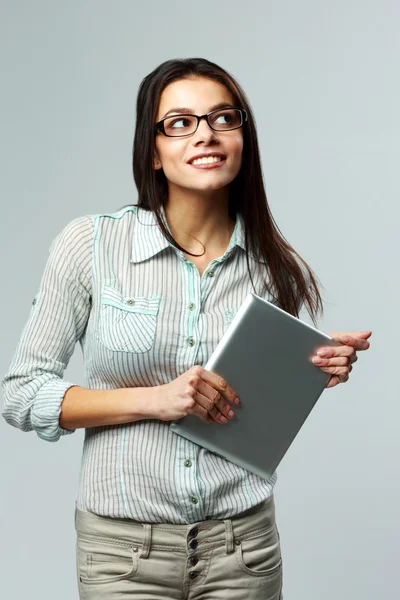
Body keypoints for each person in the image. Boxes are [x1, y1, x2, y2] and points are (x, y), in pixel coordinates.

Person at [1, 57, 371, 599]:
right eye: (180, 122)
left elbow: (250, 414)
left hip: (244, 549)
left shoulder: (272, 266)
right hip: (122, 556)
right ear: (152, 150)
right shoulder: (91, 246)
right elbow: (20, 393)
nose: (206, 134)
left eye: (224, 118)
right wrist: (156, 400)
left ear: (243, 138)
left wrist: (312, 367)